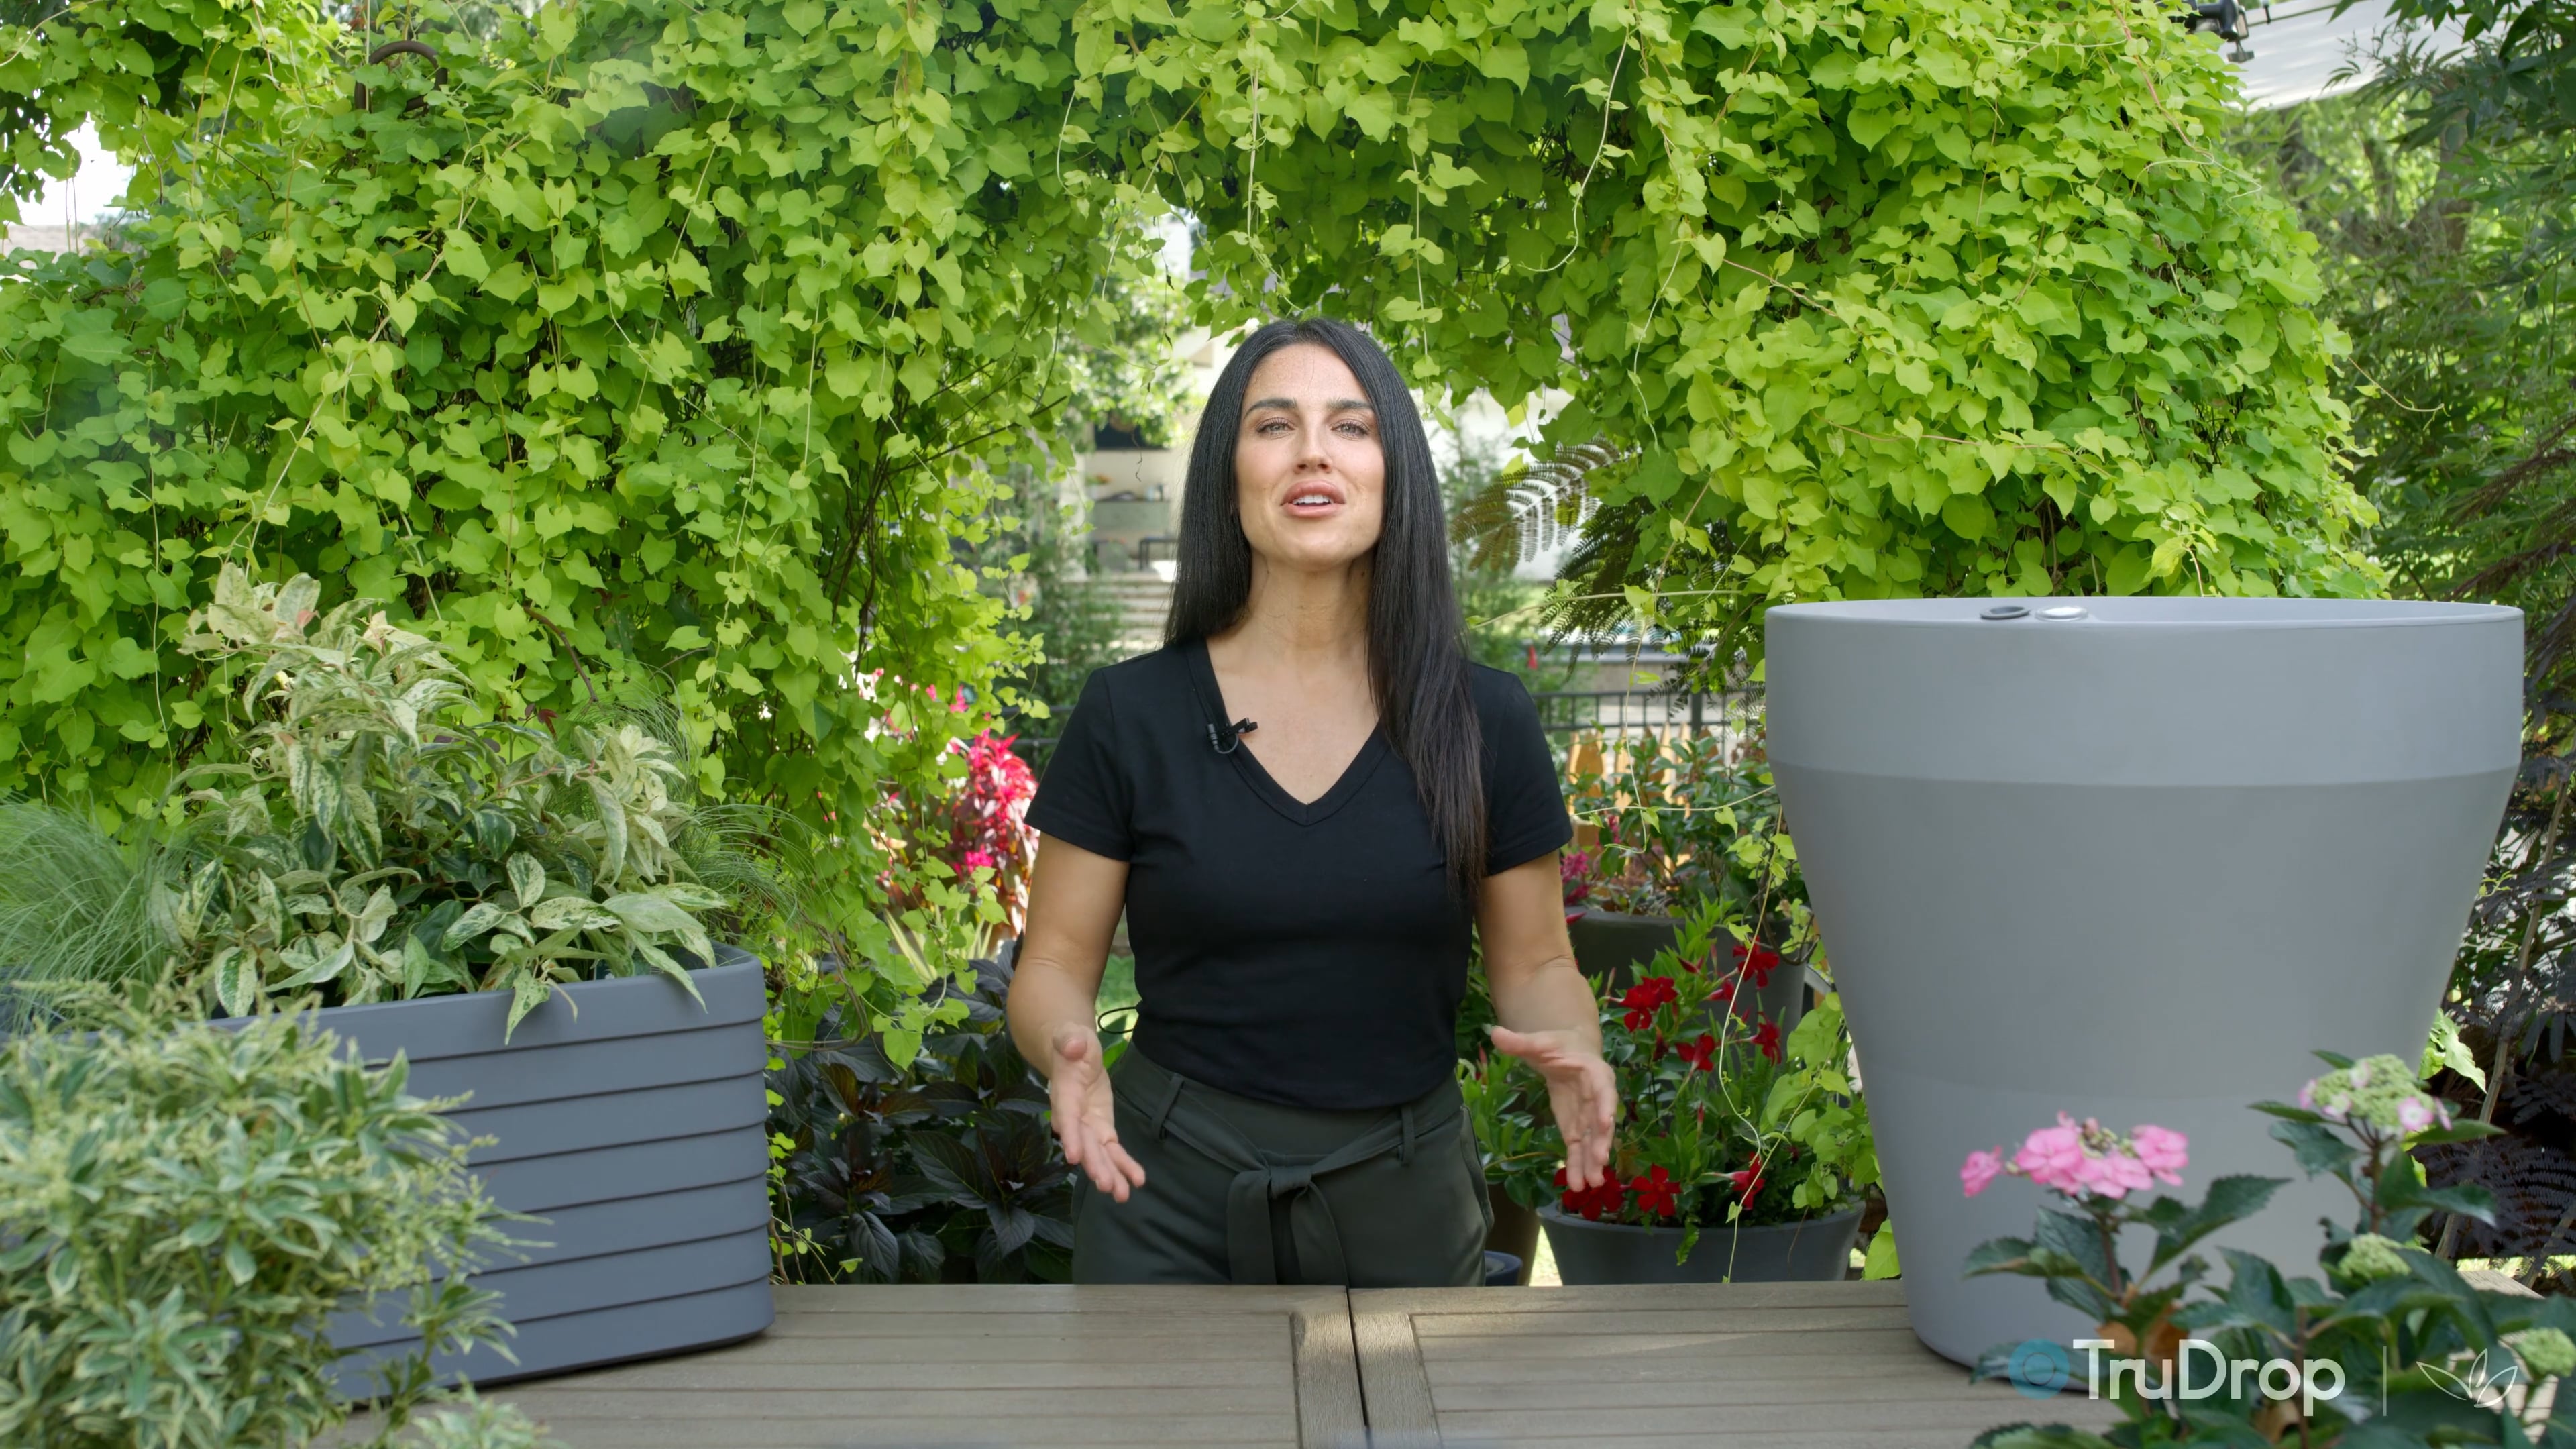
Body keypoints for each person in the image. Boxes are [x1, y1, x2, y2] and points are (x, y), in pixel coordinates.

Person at [1005, 317, 1615, 1287]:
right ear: (1229, 470)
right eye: (1275, 425)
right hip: (1158, 1193)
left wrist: (1572, 1046)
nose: (1314, 452)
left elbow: (1537, 961)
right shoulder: (1131, 712)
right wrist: (1064, 1049)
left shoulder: (1483, 718)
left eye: (1352, 426)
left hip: (1405, 1199)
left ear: (1393, 471)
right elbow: (1052, 965)